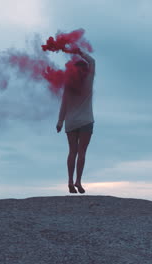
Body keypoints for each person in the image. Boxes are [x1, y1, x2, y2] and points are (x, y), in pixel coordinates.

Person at [56, 51, 95, 194]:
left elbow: (64, 104)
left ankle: (70, 181)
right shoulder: (88, 81)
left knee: (72, 152)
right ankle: (78, 180)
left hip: (70, 122)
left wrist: (60, 122)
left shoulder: (69, 85)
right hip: (86, 121)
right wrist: (79, 52)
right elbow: (93, 61)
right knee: (82, 152)